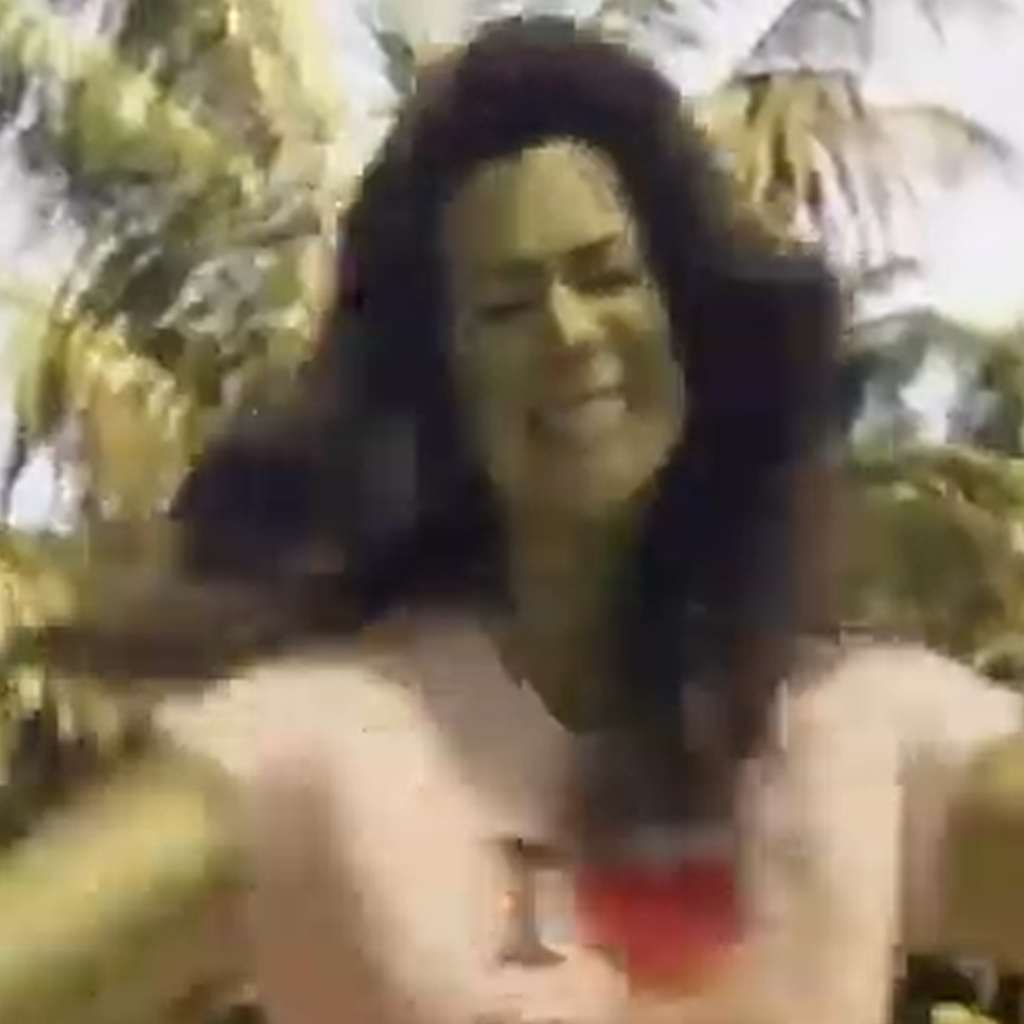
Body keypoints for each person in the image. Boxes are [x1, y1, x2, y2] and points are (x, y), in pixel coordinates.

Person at [3, 15, 1024, 1024]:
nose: (569, 332)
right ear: (441, 382)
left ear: (692, 319)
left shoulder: (864, 735)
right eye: (506, 305)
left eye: (606, 275)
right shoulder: (315, 752)